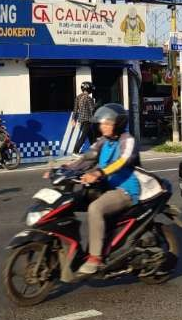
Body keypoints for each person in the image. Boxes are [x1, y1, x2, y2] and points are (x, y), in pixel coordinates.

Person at [54, 103, 139, 275]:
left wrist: (99, 172)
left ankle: (95, 258)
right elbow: (86, 158)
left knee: (95, 209)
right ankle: (71, 248)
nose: (103, 127)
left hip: (125, 190)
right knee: (67, 203)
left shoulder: (127, 140)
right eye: (102, 123)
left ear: (118, 124)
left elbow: (123, 160)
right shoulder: (102, 141)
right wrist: (63, 168)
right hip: (105, 187)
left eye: (108, 124)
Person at [72, 82, 97, 153]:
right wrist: (95, 104)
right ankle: (75, 151)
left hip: (81, 120)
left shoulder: (78, 97)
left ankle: (96, 150)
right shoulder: (89, 98)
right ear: (89, 89)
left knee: (91, 136)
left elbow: (75, 109)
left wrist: (73, 119)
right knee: (83, 137)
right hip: (88, 120)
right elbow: (92, 109)